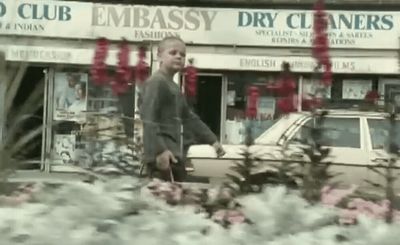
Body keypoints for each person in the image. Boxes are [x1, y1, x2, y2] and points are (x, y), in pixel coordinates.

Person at [140, 36, 225, 182]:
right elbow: (149, 118)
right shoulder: (156, 82)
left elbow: (189, 117)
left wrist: (212, 140)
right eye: (173, 53)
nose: (179, 57)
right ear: (159, 56)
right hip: (162, 158)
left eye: (182, 54)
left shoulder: (173, 86)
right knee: (164, 201)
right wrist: (160, 151)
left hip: (174, 156)